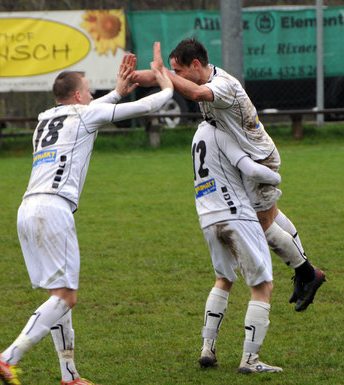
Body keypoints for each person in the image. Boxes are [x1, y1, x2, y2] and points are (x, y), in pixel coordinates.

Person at [0, 45, 173, 385]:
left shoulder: (45, 119)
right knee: (67, 296)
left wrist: (116, 93)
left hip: (28, 208)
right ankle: (7, 357)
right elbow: (146, 106)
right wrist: (168, 86)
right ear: (77, 95)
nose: (92, 95)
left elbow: (89, 111)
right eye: (89, 91)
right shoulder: (85, 114)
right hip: (53, 210)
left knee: (59, 294)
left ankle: (69, 376)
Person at [132, 38, 326, 312]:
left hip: (258, 159)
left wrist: (165, 76)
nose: (175, 76)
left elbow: (196, 94)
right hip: (245, 159)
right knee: (272, 216)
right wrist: (133, 77)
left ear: (196, 65)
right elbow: (162, 77)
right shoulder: (200, 77)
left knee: (262, 225)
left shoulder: (223, 85)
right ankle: (305, 271)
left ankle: (307, 273)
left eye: (179, 71)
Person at [192, 120, 283, 374]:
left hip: (208, 217)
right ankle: (250, 360)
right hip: (236, 215)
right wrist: (276, 177)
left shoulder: (199, 132)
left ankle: (207, 349)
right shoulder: (223, 131)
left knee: (223, 279)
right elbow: (251, 170)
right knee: (262, 286)